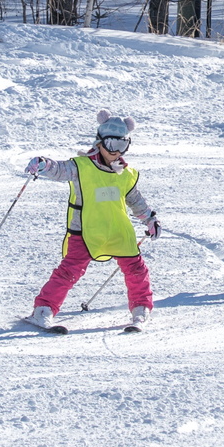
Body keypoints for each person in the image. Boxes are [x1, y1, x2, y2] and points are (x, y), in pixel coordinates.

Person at [23, 111, 160, 330]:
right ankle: (43, 311)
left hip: (118, 231)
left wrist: (149, 220)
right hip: (85, 232)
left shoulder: (126, 174)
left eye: (122, 145)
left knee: (136, 269)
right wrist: (45, 165)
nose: (116, 151)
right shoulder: (81, 166)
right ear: (99, 142)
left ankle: (141, 309)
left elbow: (135, 200)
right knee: (69, 271)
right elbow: (60, 169)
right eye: (111, 143)